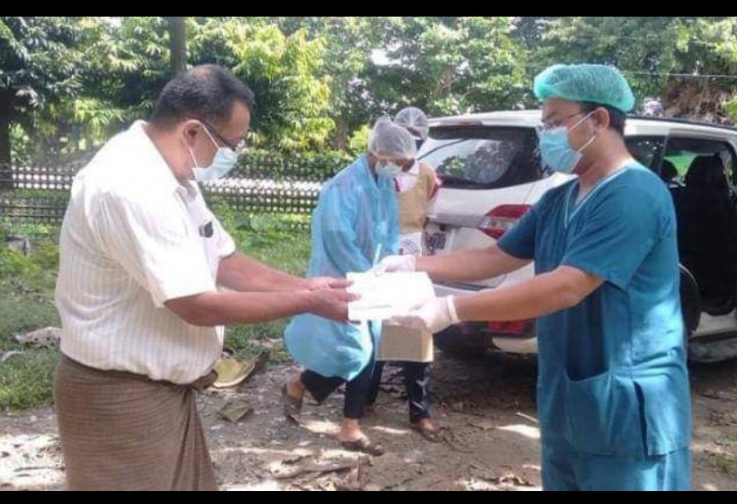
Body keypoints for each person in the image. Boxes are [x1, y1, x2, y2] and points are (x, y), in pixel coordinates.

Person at [378, 64, 692, 491]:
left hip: (627, 403)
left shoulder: (633, 194)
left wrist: (450, 308)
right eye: (544, 124)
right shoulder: (560, 198)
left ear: (599, 119)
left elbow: (567, 287)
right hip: (570, 397)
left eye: (555, 122)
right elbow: (495, 256)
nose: (547, 135)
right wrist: (412, 265)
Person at [53, 64, 355, 491]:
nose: (232, 155)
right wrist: (309, 303)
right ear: (193, 131)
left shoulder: (173, 175)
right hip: (119, 394)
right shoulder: (129, 185)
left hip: (162, 390)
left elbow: (225, 260)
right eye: (231, 144)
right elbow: (196, 304)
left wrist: (306, 285)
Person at [281, 117, 417, 456]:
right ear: (378, 153)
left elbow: (389, 229)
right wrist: (365, 274)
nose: (400, 169)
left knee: (366, 351)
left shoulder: (382, 184)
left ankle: (340, 419)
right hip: (340, 277)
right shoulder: (342, 186)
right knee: (355, 350)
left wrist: (389, 263)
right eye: (398, 162)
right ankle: (326, 406)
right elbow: (337, 237)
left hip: (371, 277)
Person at [365, 106, 442, 441]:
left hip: (412, 260)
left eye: (414, 141)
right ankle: (363, 398)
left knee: (416, 331)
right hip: (379, 257)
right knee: (375, 328)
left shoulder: (427, 176)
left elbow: (432, 218)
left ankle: (419, 411)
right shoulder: (378, 172)